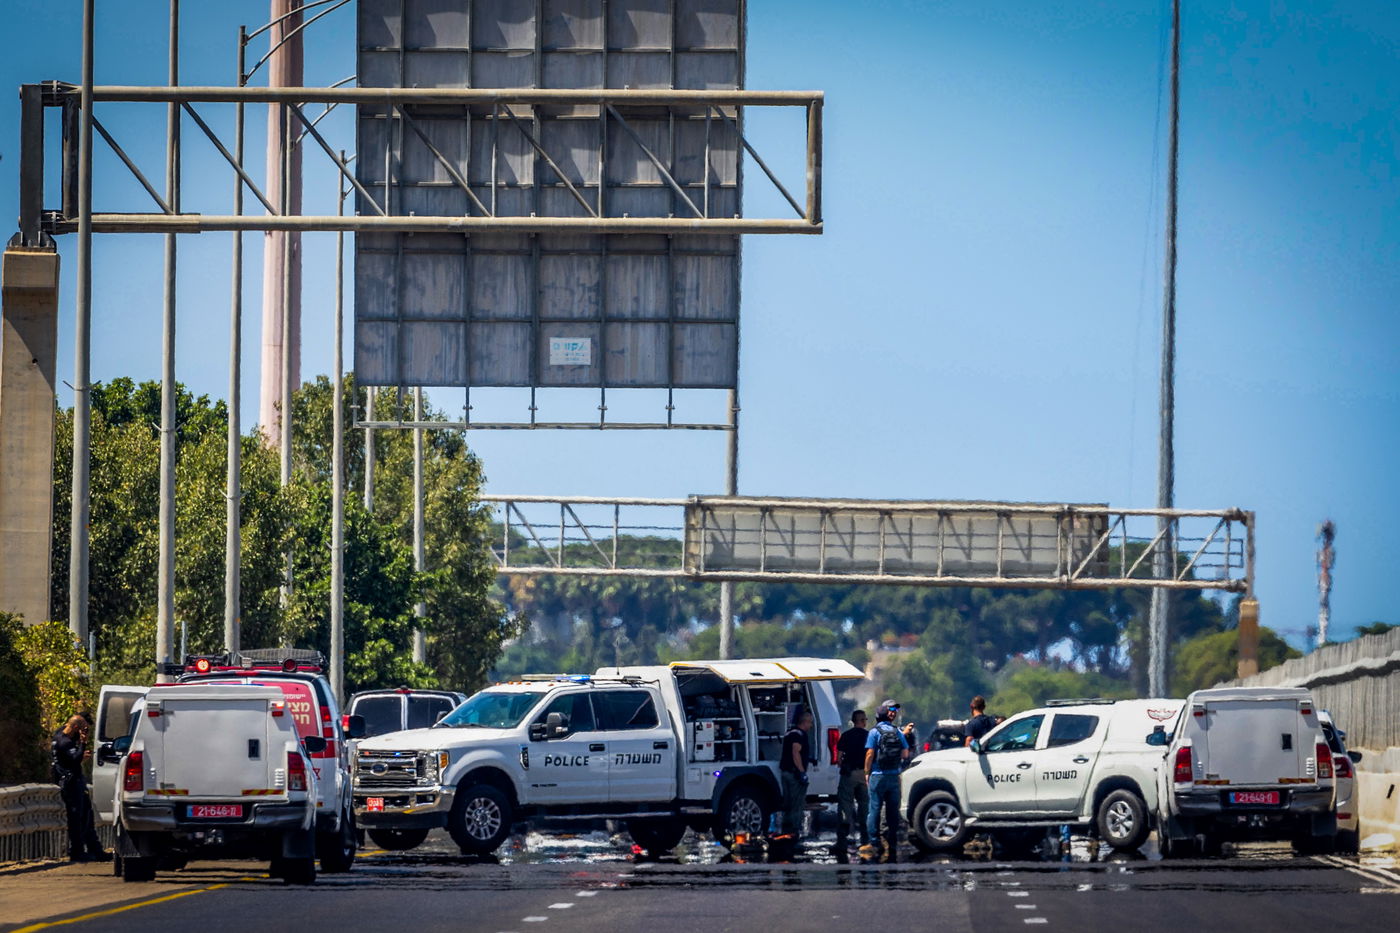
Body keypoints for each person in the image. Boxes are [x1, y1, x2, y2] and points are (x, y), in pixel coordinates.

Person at [51, 713, 109, 863]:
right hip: (71, 783)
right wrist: (82, 744)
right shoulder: (64, 742)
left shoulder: (61, 734)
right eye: (82, 728)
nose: (83, 732)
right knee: (77, 818)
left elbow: (72, 758)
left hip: (75, 781)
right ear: (75, 727)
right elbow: (75, 760)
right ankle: (77, 852)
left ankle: (95, 850)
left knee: (86, 816)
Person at [862, 699, 909, 862]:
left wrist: (867, 771)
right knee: (892, 811)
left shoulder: (874, 732)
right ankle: (893, 843)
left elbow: (869, 754)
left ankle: (874, 843)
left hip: (877, 775)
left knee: (874, 809)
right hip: (894, 776)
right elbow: (905, 754)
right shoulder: (897, 732)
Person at [835, 710, 870, 849]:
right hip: (864, 774)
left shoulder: (846, 736)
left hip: (849, 774)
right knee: (864, 804)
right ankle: (865, 836)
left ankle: (843, 836)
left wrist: (842, 765)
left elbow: (838, 758)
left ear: (853, 721)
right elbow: (871, 755)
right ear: (862, 721)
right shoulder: (869, 736)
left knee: (845, 803)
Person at [779, 709, 814, 837]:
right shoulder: (799, 734)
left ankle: (785, 831)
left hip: (785, 773)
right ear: (804, 722)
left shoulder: (789, 733)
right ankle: (793, 831)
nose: (810, 726)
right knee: (797, 804)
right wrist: (802, 772)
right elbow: (795, 752)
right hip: (794, 775)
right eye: (810, 723)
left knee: (788, 804)